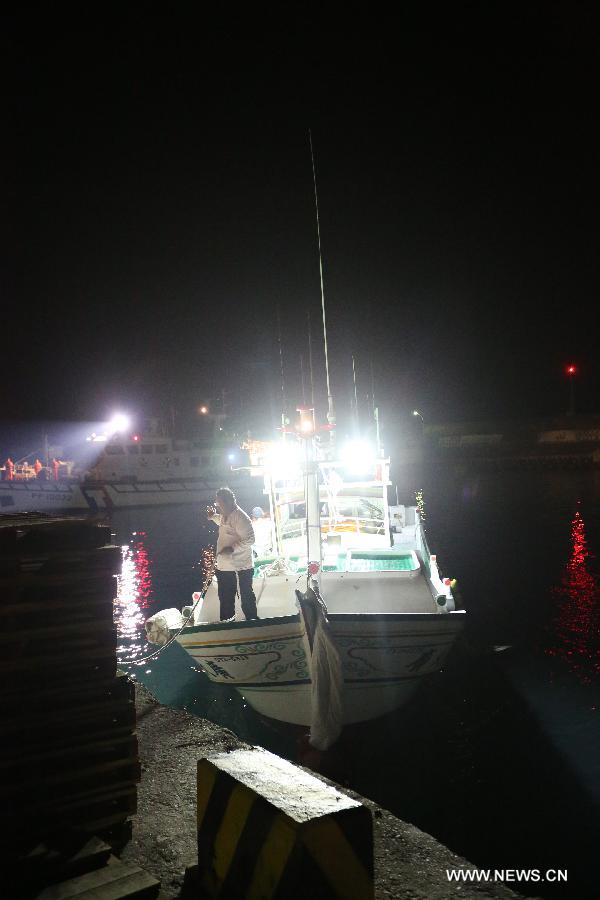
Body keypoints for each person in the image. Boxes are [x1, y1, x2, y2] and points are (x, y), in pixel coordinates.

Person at [206, 487, 258, 621]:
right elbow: (222, 522)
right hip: (224, 567)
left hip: (240, 567)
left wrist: (232, 548)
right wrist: (212, 517)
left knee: (246, 597)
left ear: (228, 502)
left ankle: (252, 623)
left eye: (219, 503)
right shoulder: (224, 515)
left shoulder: (241, 518)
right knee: (225, 598)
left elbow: (250, 540)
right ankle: (227, 626)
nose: (218, 506)